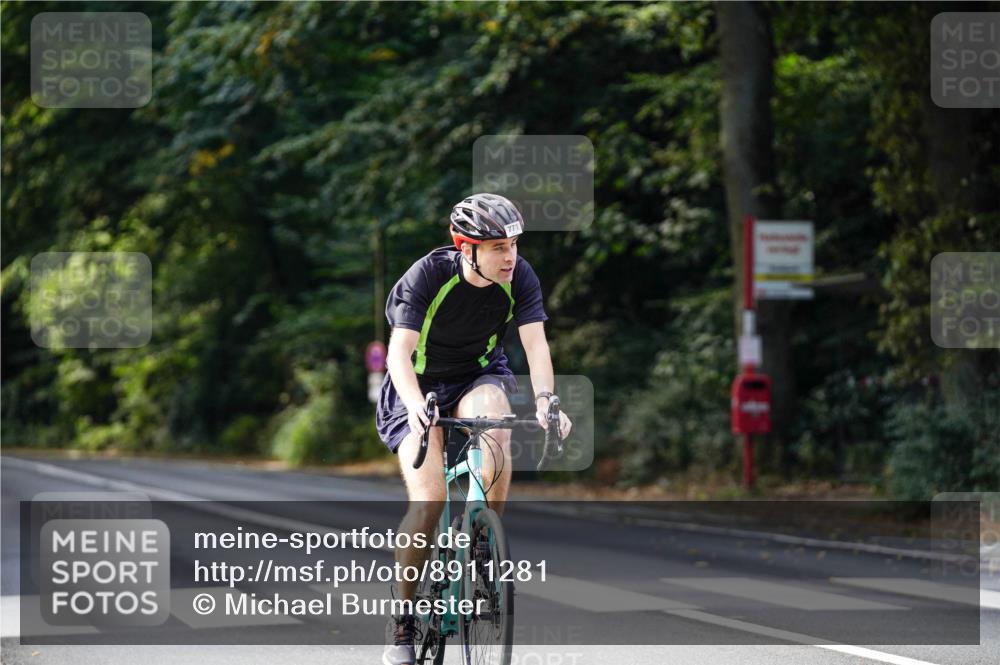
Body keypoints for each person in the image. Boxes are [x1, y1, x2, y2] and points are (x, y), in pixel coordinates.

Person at [378, 192, 571, 665]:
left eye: (514, 246)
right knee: (430, 502)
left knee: (498, 423)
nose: (510, 257)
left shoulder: (519, 277)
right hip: (416, 386)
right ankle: (402, 622)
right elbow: (398, 354)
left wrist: (547, 401)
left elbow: (535, 345)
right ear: (467, 249)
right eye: (498, 248)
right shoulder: (426, 276)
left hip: (477, 375)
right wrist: (415, 409)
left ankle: (483, 542)